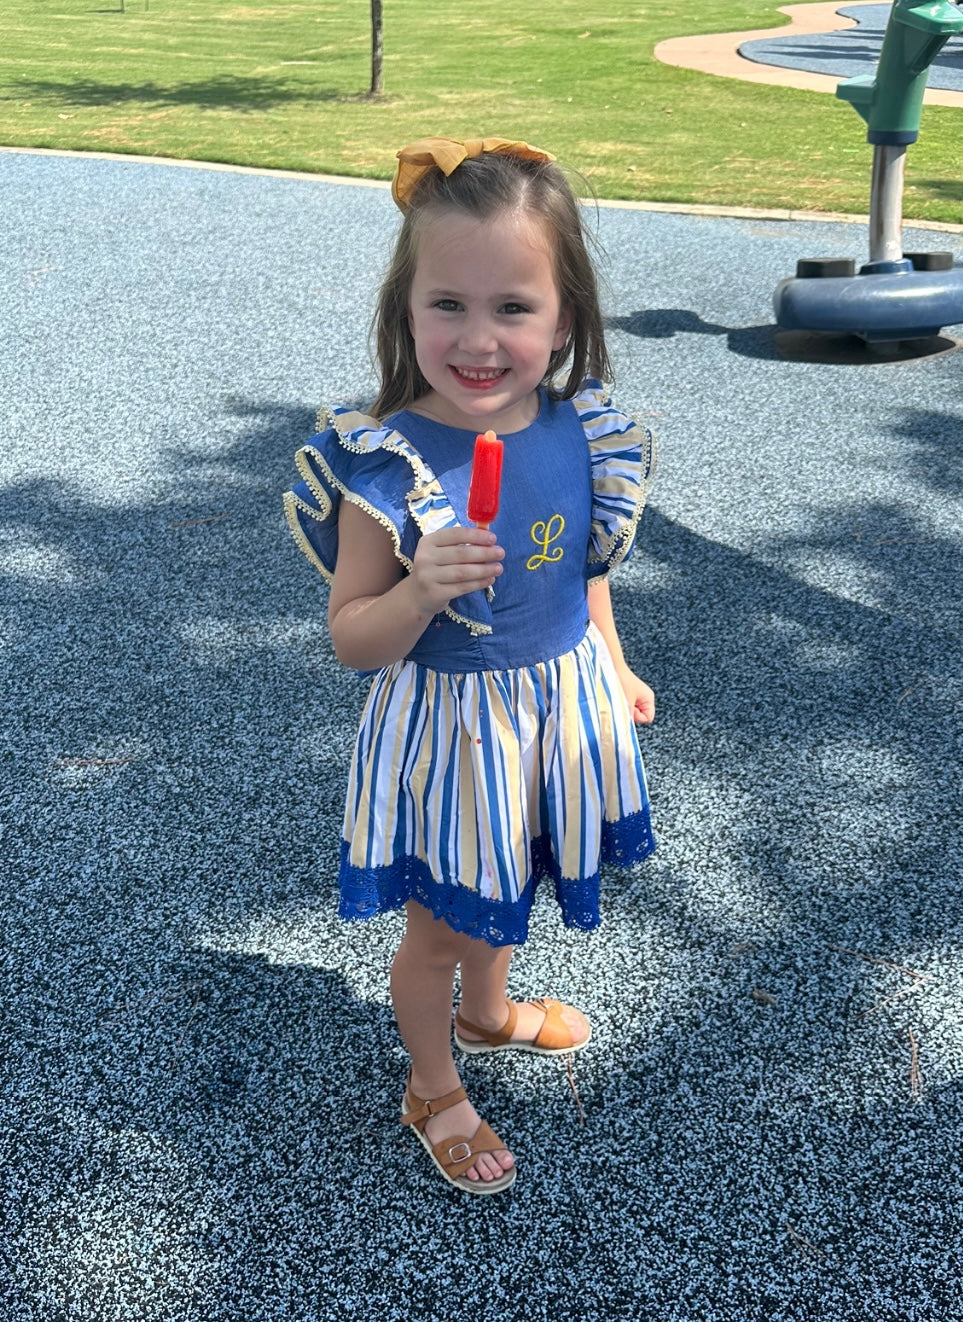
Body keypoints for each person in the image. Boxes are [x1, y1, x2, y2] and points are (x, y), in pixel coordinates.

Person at [284, 136, 656, 1195]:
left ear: (565, 318)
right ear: (406, 311)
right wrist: (417, 588)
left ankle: (490, 1017)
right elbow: (352, 636)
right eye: (447, 304)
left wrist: (614, 665)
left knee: (520, 870)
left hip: (555, 711)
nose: (479, 338)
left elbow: (586, 569)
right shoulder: (386, 465)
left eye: (513, 308)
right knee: (442, 925)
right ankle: (432, 1082)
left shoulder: (580, 433)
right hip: (452, 734)